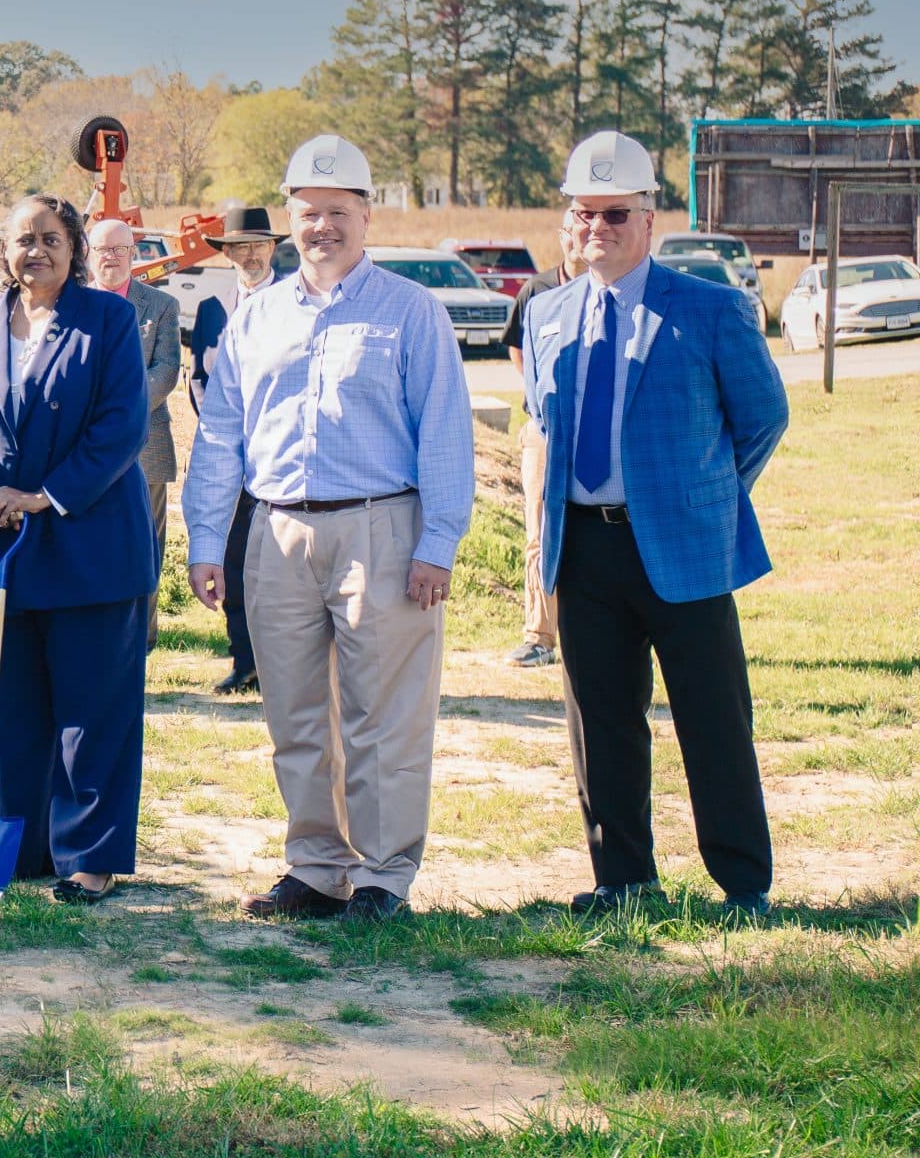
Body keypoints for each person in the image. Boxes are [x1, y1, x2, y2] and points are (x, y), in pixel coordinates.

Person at [182, 135, 473, 923]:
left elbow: (446, 431)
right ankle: (316, 869)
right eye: (309, 214)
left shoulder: (409, 311)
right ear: (289, 219)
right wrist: (207, 540)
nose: (323, 228)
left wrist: (437, 543)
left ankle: (382, 879)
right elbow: (220, 438)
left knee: (385, 715)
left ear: (366, 215)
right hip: (275, 536)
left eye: (339, 212)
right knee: (296, 713)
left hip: (381, 529)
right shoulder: (256, 318)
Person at [522, 134, 788, 917]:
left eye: (614, 213)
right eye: (584, 213)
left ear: (648, 219)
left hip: (683, 546)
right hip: (585, 547)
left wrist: (704, 495)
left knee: (712, 719)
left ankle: (743, 883)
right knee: (601, 722)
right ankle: (623, 880)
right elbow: (546, 416)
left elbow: (764, 418)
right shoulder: (546, 314)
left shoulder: (710, 309)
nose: (597, 227)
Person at [0, 195, 154, 902]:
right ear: (2, 252)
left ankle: (89, 856)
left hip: (88, 546)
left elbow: (122, 426)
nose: (37, 252)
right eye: (23, 241)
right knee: (16, 708)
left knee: (91, 711)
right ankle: (24, 847)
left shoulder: (108, 320)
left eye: (52, 239)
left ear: (75, 248)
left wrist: (42, 496)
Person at [188, 206, 282, 694]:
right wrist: (219, 430)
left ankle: (283, 666)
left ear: (272, 249)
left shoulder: (292, 301)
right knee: (233, 564)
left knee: (281, 571)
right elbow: (199, 378)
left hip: (280, 459)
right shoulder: (210, 309)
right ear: (227, 254)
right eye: (240, 246)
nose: (249, 254)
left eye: (258, 245)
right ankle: (244, 662)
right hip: (229, 463)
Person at [501, 225, 577, 669]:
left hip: (593, 432)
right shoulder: (538, 291)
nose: (580, 238)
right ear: (562, 236)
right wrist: (536, 389)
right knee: (539, 533)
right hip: (544, 432)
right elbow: (517, 346)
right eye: (572, 229)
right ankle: (540, 636)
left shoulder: (611, 288)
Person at [86, 221, 182, 572]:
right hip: (81, 450)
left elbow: (167, 369)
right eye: (102, 250)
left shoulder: (161, 306)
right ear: (89, 255)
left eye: (119, 249)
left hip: (146, 445)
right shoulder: (70, 305)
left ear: (133, 253)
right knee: (87, 552)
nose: (110, 257)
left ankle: (144, 630)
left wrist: (118, 415)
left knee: (144, 555)